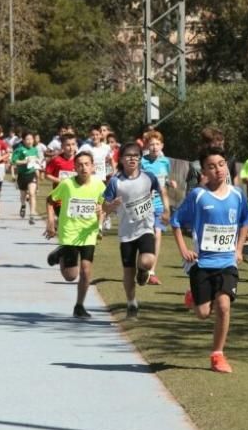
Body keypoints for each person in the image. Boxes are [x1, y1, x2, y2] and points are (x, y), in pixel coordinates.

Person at [171, 146, 248, 373]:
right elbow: (176, 222)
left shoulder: (237, 195)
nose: (218, 170)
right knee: (203, 314)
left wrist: (239, 248)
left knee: (224, 305)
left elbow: (245, 221)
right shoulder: (198, 196)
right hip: (202, 263)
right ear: (203, 171)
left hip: (227, 262)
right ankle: (193, 297)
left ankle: (218, 355)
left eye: (221, 164)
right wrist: (184, 249)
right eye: (212, 166)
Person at [103, 142, 169, 319]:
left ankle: (143, 270)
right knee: (127, 272)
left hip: (145, 227)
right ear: (121, 159)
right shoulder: (116, 182)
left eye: (136, 156)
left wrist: (166, 210)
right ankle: (131, 303)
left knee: (148, 261)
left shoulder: (148, 177)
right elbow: (104, 207)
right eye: (128, 156)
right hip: (126, 233)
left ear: (140, 158)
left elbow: (162, 190)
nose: (132, 159)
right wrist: (111, 205)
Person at [45, 152, 105, 319]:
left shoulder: (99, 185)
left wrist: (100, 223)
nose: (83, 167)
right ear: (74, 167)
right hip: (69, 232)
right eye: (79, 164)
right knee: (71, 276)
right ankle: (62, 252)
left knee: (86, 271)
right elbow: (50, 200)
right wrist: (51, 222)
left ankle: (79, 306)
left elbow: (103, 206)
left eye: (87, 164)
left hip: (88, 233)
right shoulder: (67, 185)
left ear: (93, 166)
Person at [140, 129, 175, 285]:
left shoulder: (165, 161)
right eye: (151, 144)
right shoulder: (142, 162)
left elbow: (164, 180)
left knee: (158, 234)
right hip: (144, 204)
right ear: (146, 145)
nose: (154, 147)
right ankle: (142, 266)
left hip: (160, 204)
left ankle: (152, 271)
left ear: (162, 145)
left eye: (157, 144)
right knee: (145, 236)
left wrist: (169, 182)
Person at [11, 132, 41, 225]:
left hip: (31, 173)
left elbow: (37, 159)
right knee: (23, 195)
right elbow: (13, 161)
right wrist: (24, 161)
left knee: (32, 194)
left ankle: (32, 215)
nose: (29, 141)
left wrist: (37, 161)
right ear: (23, 140)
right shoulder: (19, 150)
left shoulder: (35, 149)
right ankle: (23, 205)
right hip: (22, 175)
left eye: (31, 139)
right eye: (27, 139)